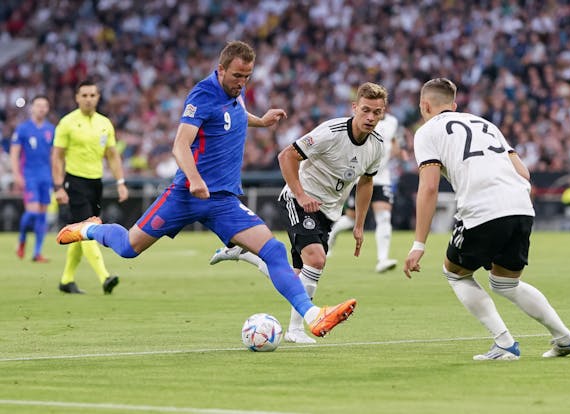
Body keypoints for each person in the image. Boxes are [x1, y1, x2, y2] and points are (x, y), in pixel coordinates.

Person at [55, 41, 356, 338]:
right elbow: (180, 144)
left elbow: (230, 117)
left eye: (247, 76)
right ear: (221, 69)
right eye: (237, 76)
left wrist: (260, 122)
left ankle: (314, 315)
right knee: (128, 248)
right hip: (185, 195)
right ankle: (90, 229)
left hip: (222, 200)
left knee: (274, 251)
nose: (242, 82)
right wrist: (195, 178)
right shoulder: (202, 94)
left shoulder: (235, 93)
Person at [404, 78, 570, 360]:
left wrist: (418, 244)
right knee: (505, 283)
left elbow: (428, 188)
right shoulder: (486, 124)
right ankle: (566, 338)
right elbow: (523, 173)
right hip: (521, 206)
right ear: (454, 105)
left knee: (456, 273)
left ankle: (504, 344)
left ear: (424, 105)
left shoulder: (427, 132)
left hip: (483, 208)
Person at [210, 82, 387, 343]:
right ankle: (296, 330)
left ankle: (245, 254)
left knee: (295, 277)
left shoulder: (377, 145)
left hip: (328, 212)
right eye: (366, 110)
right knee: (315, 260)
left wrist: (359, 224)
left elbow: (366, 182)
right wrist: (302, 195)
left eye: (377, 112)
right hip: (297, 199)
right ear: (354, 108)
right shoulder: (330, 131)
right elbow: (286, 156)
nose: (371, 117)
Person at [52, 79, 129, 295]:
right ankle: (105, 277)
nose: (88, 99)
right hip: (74, 181)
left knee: (81, 232)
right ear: (77, 98)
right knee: (88, 227)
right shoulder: (67, 123)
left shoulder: (105, 123)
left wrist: (121, 182)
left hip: (96, 182)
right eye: (84, 95)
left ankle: (66, 280)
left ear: (98, 97)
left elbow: (113, 156)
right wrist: (58, 186)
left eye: (92, 95)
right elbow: (57, 157)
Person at [327, 112, 402, 273]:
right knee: (349, 219)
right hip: (360, 178)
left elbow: (394, 141)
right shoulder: (360, 120)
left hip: (382, 178)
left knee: (384, 217)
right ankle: (330, 236)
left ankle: (382, 260)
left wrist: (398, 151)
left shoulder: (393, 122)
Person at [10, 95, 55, 262]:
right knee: (33, 211)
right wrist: (16, 175)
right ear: (32, 108)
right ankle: (22, 239)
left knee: (43, 214)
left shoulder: (51, 129)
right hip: (29, 175)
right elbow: (14, 153)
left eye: (45, 105)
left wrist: (56, 177)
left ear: (48, 108)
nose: (41, 108)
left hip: (46, 176)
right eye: (38, 105)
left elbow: (54, 155)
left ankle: (37, 252)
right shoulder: (23, 129)